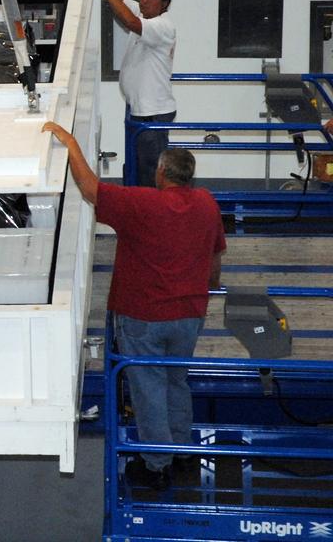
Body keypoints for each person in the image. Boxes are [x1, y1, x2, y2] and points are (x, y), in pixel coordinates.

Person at [43, 121, 225, 491]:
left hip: (143, 316)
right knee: (177, 382)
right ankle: (183, 450)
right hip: (189, 315)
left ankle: (156, 465)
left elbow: (91, 189)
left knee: (149, 389)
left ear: (161, 173)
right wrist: (207, 287)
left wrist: (71, 143)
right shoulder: (207, 203)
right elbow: (216, 258)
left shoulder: (141, 205)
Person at [89, 0, 176, 187]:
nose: (146, 1)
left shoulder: (161, 26)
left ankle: (151, 217)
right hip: (140, 111)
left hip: (153, 114)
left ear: (165, 3)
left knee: (150, 172)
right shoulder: (143, 15)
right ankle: (141, 212)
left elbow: (129, 21)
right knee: (137, 168)